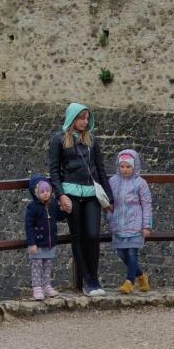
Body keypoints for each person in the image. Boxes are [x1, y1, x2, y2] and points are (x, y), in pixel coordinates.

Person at [48, 102, 113, 296]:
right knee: (77, 237)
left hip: (91, 194)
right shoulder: (58, 139)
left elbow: (100, 169)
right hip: (71, 194)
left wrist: (109, 197)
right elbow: (54, 171)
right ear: (72, 118)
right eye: (81, 118)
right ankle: (87, 280)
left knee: (93, 236)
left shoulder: (92, 140)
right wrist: (61, 195)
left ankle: (94, 278)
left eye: (87, 118)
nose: (85, 122)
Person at [106, 149, 152, 293]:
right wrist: (109, 216)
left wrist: (146, 226)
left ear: (134, 166)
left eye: (128, 167)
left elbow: (146, 204)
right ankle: (141, 276)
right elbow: (109, 201)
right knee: (121, 253)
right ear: (118, 166)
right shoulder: (112, 181)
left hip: (135, 225)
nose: (125, 170)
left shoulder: (140, 183)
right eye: (122, 166)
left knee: (132, 253)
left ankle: (129, 282)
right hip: (119, 224)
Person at [25, 174, 67, 300]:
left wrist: (65, 210)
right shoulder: (32, 207)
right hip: (37, 243)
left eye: (47, 190)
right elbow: (29, 226)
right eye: (42, 191)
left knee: (47, 264)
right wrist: (31, 243)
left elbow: (58, 217)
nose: (45, 194)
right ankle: (37, 287)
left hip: (50, 242)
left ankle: (46, 285)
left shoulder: (53, 203)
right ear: (35, 192)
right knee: (37, 264)